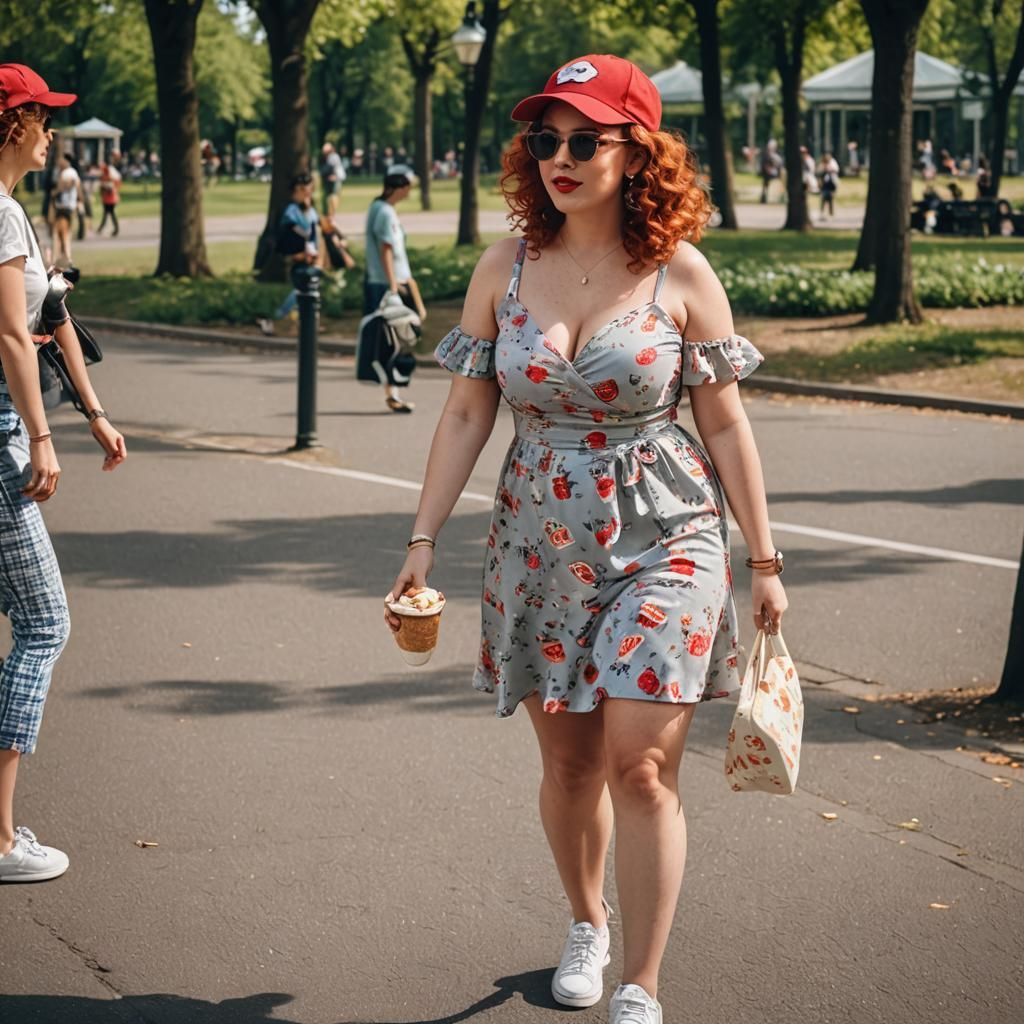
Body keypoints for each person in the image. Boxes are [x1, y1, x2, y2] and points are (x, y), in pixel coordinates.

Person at [384, 54, 786, 1024]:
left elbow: (725, 422)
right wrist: (421, 541)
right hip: (538, 542)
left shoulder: (681, 271)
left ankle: (642, 981)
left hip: (669, 534)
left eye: (582, 139)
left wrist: (764, 561)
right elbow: (466, 414)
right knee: (568, 764)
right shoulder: (506, 265)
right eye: (543, 139)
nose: (558, 157)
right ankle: (585, 921)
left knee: (638, 763)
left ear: (634, 148)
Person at [0, 63, 127, 883]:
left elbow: (52, 317)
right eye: (45, 118)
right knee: (44, 623)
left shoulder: (18, 215)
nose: (54, 132)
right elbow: (12, 338)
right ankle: (2, 839)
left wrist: (92, 410)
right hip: (0, 432)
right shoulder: (4, 216)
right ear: (14, 122)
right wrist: (43, 438)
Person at [360, 165, 426, 413]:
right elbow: (386, 250)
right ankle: (392, 392)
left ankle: (392, 390)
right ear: (399, 188)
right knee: (394, 339)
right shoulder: (385, 213)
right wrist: (393, 286)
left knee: (392, 338)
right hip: (388, 284)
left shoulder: (379, 208)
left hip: (388, 281)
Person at [255, 172, 319, 337]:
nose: (308, 193)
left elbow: (314, 232)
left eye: (310, 190)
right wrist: (298, 253)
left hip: (313, 258)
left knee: (309, 290)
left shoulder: (309, 210)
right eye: (305, 190)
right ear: (297, 190)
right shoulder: (291, 211)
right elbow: (289, 235)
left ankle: (306, 323)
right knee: (300, 291)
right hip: (299, 259)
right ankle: (276, 318)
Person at [51, 154, 78, 266]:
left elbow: (71, 184)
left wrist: (56, 191)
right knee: (62, 232)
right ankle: (64, 257)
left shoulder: (69, 172)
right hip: (66, 206)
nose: (59, 162)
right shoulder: (68, 172)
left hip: (65, 206)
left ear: (66, 160)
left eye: (61, 159)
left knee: (61, 232)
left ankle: (63, 256)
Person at [319, 142, 346, 217]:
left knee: (334, 196)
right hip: (329, 178)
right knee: (328, 196)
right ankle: (328, 212)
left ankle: (331, 212)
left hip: (336, 178)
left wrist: (334, 176)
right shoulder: (326, 157)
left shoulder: (333, 157)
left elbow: (334, 167)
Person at [97, 156, 121, 236]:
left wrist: (105, 185)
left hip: (110, 197)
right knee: (109, 213)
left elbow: (113, 182)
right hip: (108, 197)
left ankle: (104, 228)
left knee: (109, 213)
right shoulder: (107, 173)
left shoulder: (108, 172)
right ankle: (104, 228)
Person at [817, 150, 839, 221]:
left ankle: (831, 214)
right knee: (823, 199)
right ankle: (822, 214)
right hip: (824, 184)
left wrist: (829, 169)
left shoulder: (833, 162)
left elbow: (836, 170)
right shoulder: (822, 164)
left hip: (831, 184)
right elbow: (819, 172)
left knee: (830, 200)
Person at [759, 138, 781, 202]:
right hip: (767, 172)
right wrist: (768, 169)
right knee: (766, 183)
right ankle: (764, 197)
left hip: (774, 171)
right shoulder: (766, 154)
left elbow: (778, 164)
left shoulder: (776, 154)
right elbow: (764, 163)